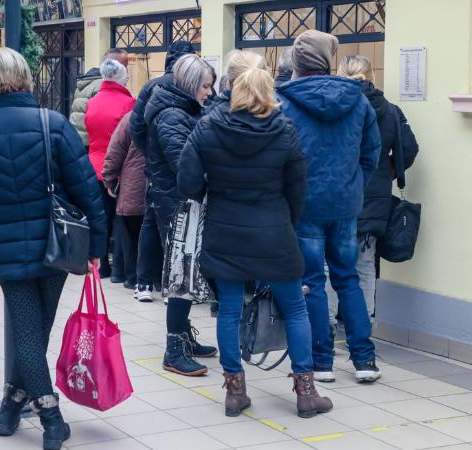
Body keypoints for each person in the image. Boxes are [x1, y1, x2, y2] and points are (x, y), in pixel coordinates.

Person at [0, 47, 106, 450]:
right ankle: (51, 416)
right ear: (26, 76)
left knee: (28, 331)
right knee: (36, 331)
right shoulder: (53, 125)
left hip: (7, 248)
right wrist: (98, 244)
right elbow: (87, 190)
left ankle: (11, 404)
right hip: (57, 244)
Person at [179, 55, 333, 419]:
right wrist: (285, 222)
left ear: (232, 87)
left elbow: (186, 183)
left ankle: (235, 391)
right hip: (274, 232)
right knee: (295, 308)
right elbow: (298, 188)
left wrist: (213, 192)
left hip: (225, 231)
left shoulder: (208, 127)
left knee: (229, 312)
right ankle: (306, 392)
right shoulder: (284, 130)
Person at [276, 30, 382, 384]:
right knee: (348, 279)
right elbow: (371, 153)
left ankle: (322, 363)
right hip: (345, 204)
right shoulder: (359, 100)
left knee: (312, 282)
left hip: (303, 204)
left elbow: (278, 155)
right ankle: (364, 360)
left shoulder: (284, 101)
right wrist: (354, 186)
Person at [327, 55, 419, 326]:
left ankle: (328, 327)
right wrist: (387, 171)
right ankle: (362, 328)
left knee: (332, 265)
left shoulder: (335, 108)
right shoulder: (390, 110)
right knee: (365, 266)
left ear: (339, 74)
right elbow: (410, 148)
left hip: (339, 196)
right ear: (372, 76)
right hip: (375, 198)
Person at [144, 54, 217, 376]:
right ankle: (174, 349)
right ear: (189, 85)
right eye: (205, 86)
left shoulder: (181, 110)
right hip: (177, 203)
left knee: (185, 273)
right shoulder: (172, 116)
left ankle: (184, 337)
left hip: (178, 201)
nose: (209, 93)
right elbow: (183, 163)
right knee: (181, 276)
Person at [130, 40, 196, 302]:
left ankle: (144, 283)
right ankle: (172, 285)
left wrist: (151, 151)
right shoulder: (186, 85)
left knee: (150, 222)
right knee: (176, 228)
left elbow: (135, 126)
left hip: (155, 169)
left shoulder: (151, 86)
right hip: (174, 168)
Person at [84, 58, 136, 283]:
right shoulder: (128, 104)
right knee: (122, 221)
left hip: (94, 166)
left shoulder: (92, 101)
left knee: (101, 218)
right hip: (120, 169)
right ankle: (120, 271)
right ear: (122, 78)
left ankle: (102, 265)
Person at [102, 111, 145, 293]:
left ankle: (131, 277)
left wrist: (109, 178)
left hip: (133, 184)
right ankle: (151, 279)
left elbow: (115, 150)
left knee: (130, 232)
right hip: (156, 185)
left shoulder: (131, 117)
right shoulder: (176, 113)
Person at [70, 48, 129, 148]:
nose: (126, 71)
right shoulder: (102, 87)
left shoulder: (86, 83)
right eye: (125, 66)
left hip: (78, 139)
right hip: (92, 143)